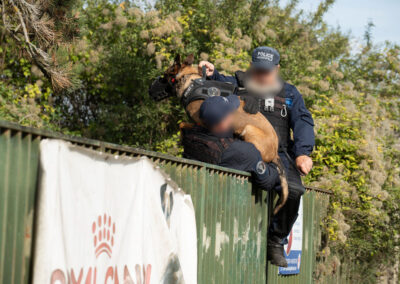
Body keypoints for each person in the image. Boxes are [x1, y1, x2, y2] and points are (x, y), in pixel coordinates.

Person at [199, 46, 315, 267]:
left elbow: (303, 123)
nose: (261, 76)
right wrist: (211, 73)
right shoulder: (236, 84)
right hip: (243, 148)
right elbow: (215, 86)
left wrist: (303, 153)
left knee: (295, 191)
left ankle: (275, 240)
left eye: (267, 71)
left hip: (280, 154)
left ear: (277, 69)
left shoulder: (290, 94)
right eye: (258, 70)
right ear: (251, 66)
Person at [181, 95, 281, 193]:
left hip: (196, 194)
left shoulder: (189, 137)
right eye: (231, 113)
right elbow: (267, 182)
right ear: (222, 123)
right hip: (223, 203)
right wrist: (275, 167)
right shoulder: (243, 151)